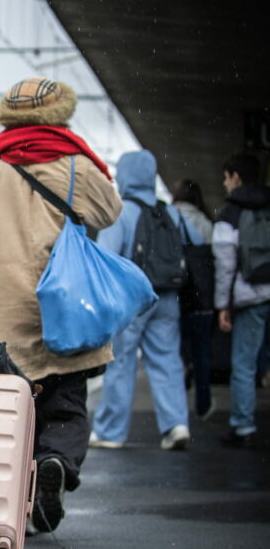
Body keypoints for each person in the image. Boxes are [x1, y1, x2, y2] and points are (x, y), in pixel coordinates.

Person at [0, 77, 121, 534]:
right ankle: (56, 461)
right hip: (68, 307)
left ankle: (18, 496)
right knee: (68, 405)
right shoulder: (77, 166)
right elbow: (110, 211)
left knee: (14, 411)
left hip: (2, 313)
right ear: (59, 116)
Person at [91, 151, 199, 451]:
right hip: (168, 297)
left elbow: (106, 259)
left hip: (132, 301)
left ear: (125, 176)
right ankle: (176, 424)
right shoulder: (171, 213)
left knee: (121, 363)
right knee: (167, 362)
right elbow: (194, 248)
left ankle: (111, 432)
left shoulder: (122, 211)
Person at [213, 153, 270, 448]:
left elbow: (225, 266)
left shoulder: (230, 212)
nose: (224, 184)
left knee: (244, 364)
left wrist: (223, 305)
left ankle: (243, 427)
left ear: (236, 176)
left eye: (225, 177)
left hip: (251, 297)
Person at [170, 178, 216, 421]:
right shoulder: (208, 222)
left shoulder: (170, 217)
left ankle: (177, 413)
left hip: (178, 296)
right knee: (202, 354)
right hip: (204, 298)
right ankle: (203, 404)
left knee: (174, 354)